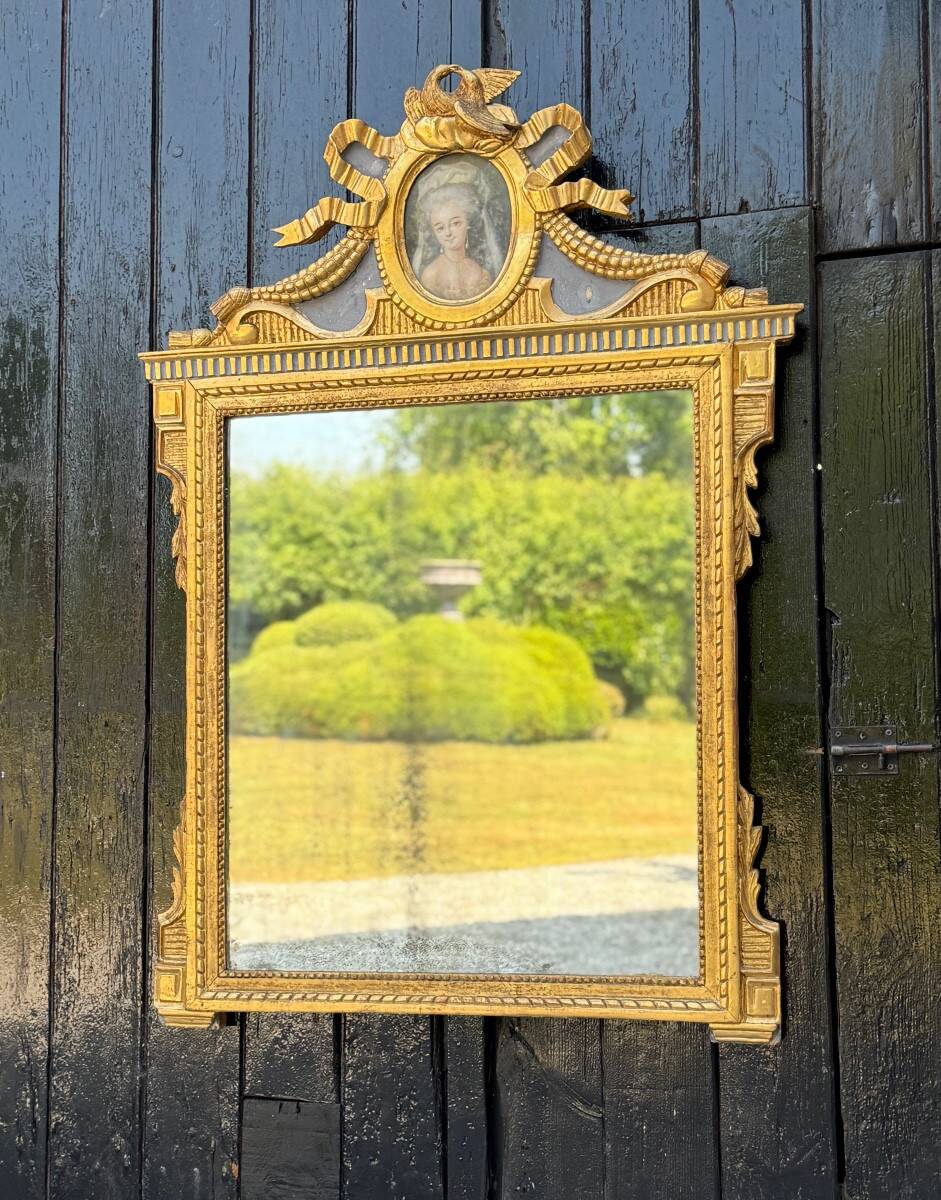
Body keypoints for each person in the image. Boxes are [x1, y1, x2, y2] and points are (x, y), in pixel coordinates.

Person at [417, 183, 492, 301]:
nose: (448, 233)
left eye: (455, 223)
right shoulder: (431, 274)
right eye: (440, 228)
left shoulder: (479, 272)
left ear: (468, 222)